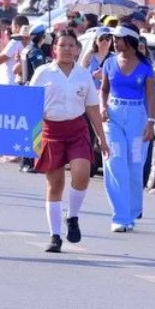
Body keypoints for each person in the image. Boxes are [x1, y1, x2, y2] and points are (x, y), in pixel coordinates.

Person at [30, 31, 108, 252]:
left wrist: (102, 139)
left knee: (81, 174)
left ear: (77, 49)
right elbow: (29, 105)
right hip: (50, 131)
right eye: (62, 45)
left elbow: (92, 107)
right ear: (54, 48)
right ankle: (55, 236)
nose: (66, 49)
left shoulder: (83, 75)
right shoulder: (43, 73)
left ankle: (72, 217)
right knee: (55, 184)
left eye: (71, 45)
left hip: (77, 129)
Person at [99, 24, 155, 233]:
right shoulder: (109, 63)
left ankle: (132, 212)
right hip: (113, 116)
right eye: (113, 38)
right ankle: (120, 216)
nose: (114, 41)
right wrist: (102, 106)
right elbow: (103, 90)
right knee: (114, 162)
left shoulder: (145, 66)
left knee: (134, 164)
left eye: (119, 38)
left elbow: (151, 96)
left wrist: (151, 122)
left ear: (130, 40)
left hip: (137, 118)